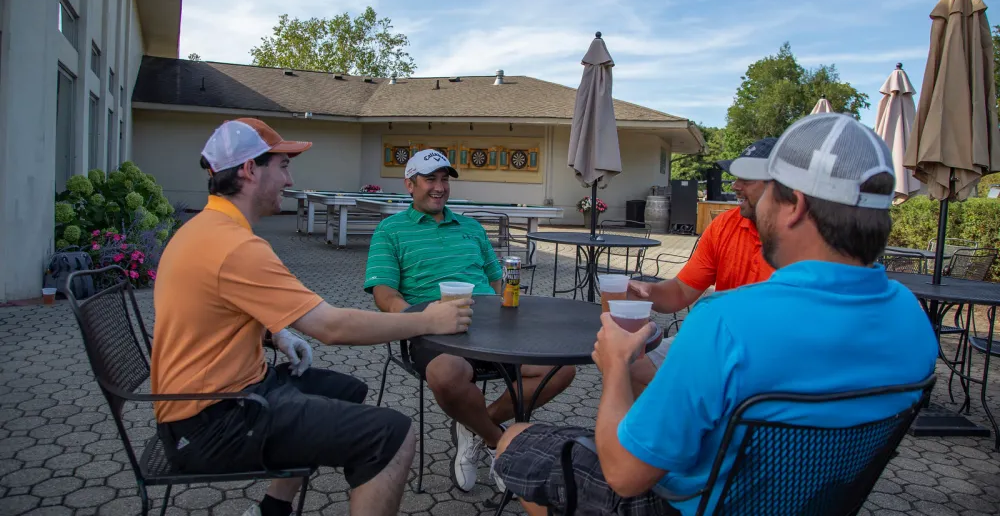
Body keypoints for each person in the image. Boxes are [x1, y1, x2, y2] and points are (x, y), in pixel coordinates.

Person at [492, 113, 939, 516]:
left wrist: (614, 367)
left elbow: (625, 475)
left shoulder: (726, 324)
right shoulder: (913, 320)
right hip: (811, 499)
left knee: (517, 441)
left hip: (691, 504)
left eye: (767, 193)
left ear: (795, 205)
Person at [151, 119, 474, 516]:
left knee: (347, 389)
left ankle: (271, 510)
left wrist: (273, 335)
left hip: (204, 403)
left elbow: (212, 311)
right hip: (212, 422)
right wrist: (429, 320)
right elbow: (332, 327)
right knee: (393, 436)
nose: (289, 180)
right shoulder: (235, 246)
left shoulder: (204, 229)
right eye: (284, 166)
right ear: (251, 169)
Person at [364, 149, 576, 493]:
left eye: (444, 179)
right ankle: (498, 443)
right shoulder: (391, 230)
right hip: (432, 331)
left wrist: (515, 309)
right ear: (409, 184)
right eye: (430, 179)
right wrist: (415, 321)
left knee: (561, 368)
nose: (439, 187)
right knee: (447, 373)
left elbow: (497, 279)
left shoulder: (471, 226)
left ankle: (475, 425)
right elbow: (384, 292)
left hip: (490, 326)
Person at [628, 138, 778, 396]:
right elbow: (681, 292)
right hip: (715, 342)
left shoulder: (800, 239)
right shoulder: (725, 225)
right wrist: (648, 292)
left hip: (767, 357)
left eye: (747, 180)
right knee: (630, 365)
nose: (735, 186)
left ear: (780, 187)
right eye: (735, 177)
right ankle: (658, 434)